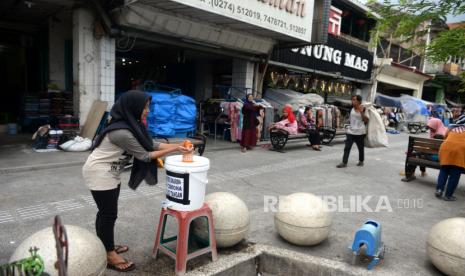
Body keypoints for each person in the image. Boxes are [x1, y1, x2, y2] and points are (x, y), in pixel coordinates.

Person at [82, 91, 192, 272]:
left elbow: (151, 143)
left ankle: (106, 245)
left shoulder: (132, 126)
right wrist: (174, 150)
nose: (147, 111)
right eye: (145, 107)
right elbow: (145, 155)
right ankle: (109, 254)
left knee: (107, 213)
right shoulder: (121, 131)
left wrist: (177, 146)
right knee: (108, 214)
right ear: (133, 107)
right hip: (99, 173)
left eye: (148, 106)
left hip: (111, 173)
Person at [435, 115, 465, 201]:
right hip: (459, 153)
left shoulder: (452, 128)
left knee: (444, 170)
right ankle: (448, 195)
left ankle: (439, 189)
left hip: (445, 150)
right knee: (455, 174)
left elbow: (445, 137)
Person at [337, 95, 369, 168]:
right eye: (352, 99)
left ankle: (361, 161)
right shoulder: (351, 108)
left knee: (360, 148)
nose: (353, 101)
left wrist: (361, 112)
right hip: (350, 132)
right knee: (347, 147)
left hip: (360, 133)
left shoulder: (364, 109)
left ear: (359, 101)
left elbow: (366, 120)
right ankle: (344, 162)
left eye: (354, 100)